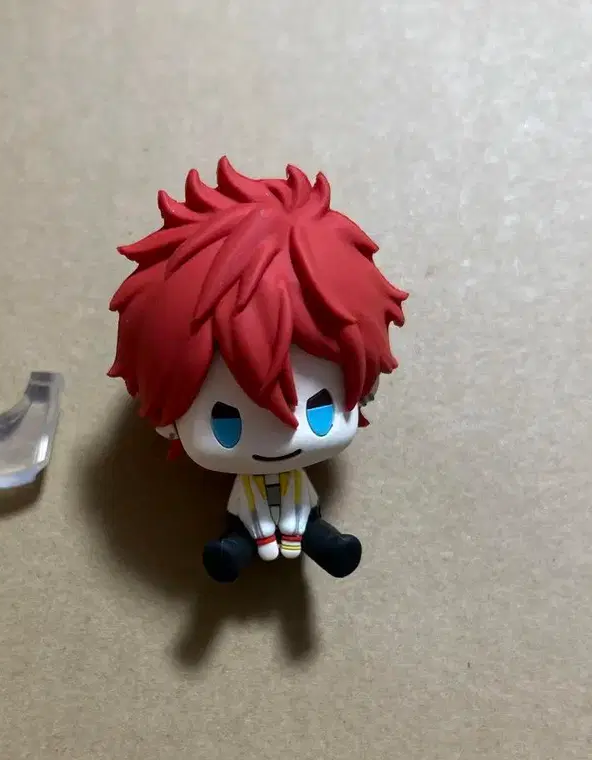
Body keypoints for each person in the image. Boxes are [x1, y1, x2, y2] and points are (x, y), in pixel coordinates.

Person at [108, 157, 407, 582]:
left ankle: (324, 546)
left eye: (319, 409)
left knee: (310, 527)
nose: (284, 433)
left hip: (299, 515)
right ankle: (235, 551)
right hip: (247, 521)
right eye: (225, 421)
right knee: (244, 535)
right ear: (168, 422)